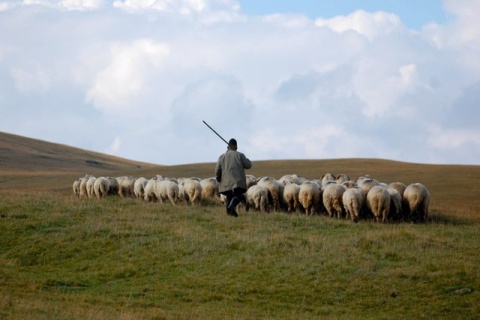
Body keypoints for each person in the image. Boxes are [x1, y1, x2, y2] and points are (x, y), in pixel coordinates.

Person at [215, 138, 252, 217]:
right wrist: (246, 158)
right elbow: (248, 165)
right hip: (237, 182)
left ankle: (231, 216)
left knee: (229, 198)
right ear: (236, 147)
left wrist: (218, 179)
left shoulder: (222, 157)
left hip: (225, 184)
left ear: (228, 147)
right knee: (237, 196)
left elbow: (217, 170)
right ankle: (232, 207)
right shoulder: (240, 155)